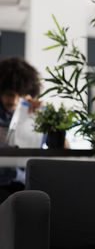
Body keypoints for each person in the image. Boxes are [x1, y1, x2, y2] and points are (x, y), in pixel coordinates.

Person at [0, 56, 42, 203]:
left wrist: (44, 119)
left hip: (25, 186)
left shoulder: (33, 115)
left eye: (20, 95)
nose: (14, 100)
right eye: (10, 94)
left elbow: (63, 147)